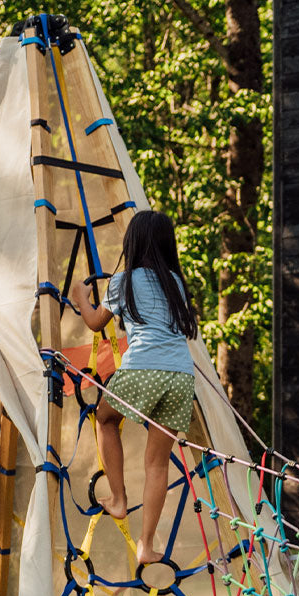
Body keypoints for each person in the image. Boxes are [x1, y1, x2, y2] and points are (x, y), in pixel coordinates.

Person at [69, 210, 198, 567]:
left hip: (143, 369)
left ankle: (119, 498)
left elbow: (96, 322)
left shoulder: (124, 280)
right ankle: (146, 546)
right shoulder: (177, 283)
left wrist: (82, 297)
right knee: (157, 464)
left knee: (105, 419)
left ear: (133, 243)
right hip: (180, 376)